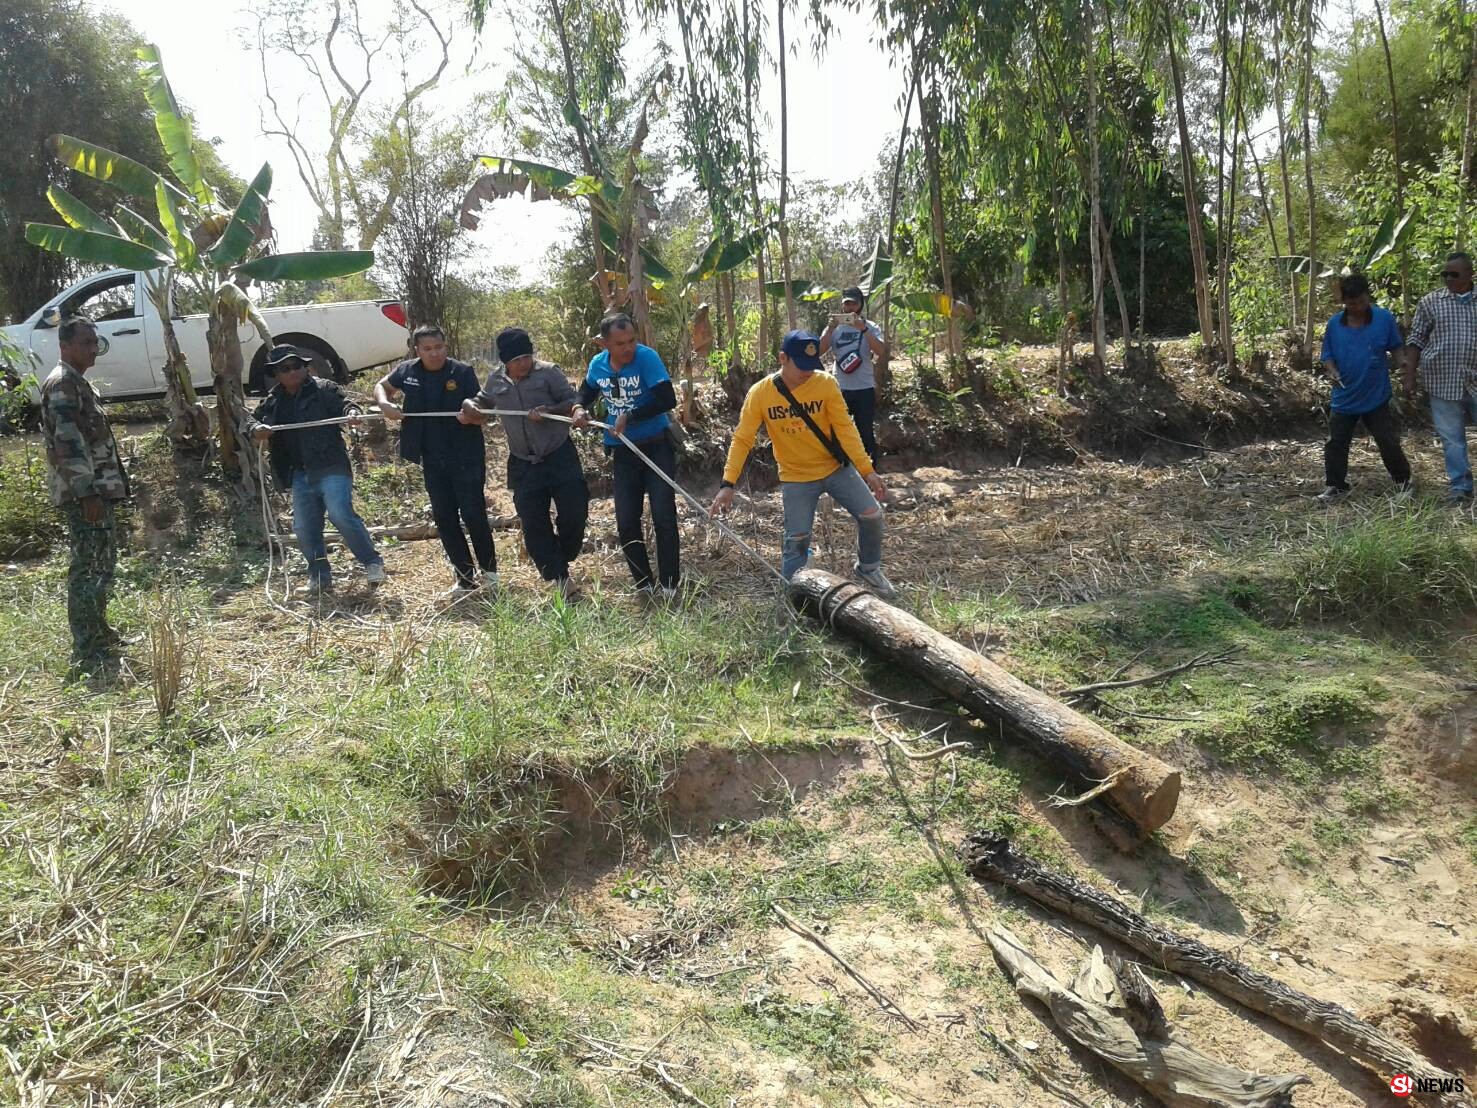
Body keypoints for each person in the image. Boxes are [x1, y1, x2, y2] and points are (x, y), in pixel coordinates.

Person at [710, 329, 896, 597]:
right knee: (796, 541)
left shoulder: (825, 384)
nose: (807, 372)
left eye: (812, 365)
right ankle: (792, 595)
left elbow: (846, 429)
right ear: (782, 358)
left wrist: (867, 470)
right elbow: (742, 440)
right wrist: (728, 483)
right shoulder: (760, 393)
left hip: (835, 468)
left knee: (872, 516)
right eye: (801, 366)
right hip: (796, 477)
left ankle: (868, 568)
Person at [460, 328, 592, 601]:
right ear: (505, 361)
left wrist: (548, 410)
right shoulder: (496, 379)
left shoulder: (549, 372)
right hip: (522, 462)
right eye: (516, 359)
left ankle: (562, 556)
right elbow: (483, 401)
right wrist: (470, 405)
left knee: (574, 514)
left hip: (559, 455)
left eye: (526, 356)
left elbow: (571, 402)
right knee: (533, 524)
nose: (523, 363)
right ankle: (560, 579)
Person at [246, 344, 384, 596]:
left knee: (340, 513)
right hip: (299, 472)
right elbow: (251, 420)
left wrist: (352, 413)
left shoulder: (324, 389)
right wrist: (256, 429)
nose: (293, 372)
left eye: (297, 365)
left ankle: (372, 563)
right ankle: (319, 576)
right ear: (276, 374)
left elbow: (346, 404)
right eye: (285, 368)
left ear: (305, 366)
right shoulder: (273, 401)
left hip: (330, 464)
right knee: (304, 527)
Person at [375, 325, 498, 597]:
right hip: (431, 457)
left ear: (446, 346)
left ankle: (491, 575)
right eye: (427, 349)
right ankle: (464, 578)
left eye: (439, 347)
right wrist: (385, 404)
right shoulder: (407, 371)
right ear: (416, 350)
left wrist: (472, 416)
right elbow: (382, 386)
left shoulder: (462, 372)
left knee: (473, 513)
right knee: (444, 517)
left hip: (465, 455)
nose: (434, 353)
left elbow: (482, 411)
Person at [40, 316, 130, 673]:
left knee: (101, 563)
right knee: (88, 566)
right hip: (85, 494)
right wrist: (87, 493)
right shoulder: (63, 384)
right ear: (65, 346)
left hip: (96, 490)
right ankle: (87, 643)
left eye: (95, 342)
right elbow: (68, 443)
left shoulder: (77, 383)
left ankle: (99, 631)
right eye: (85, 343)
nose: (93, 349)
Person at [579, 313, 681, 596]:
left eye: (632, 341)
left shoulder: (646, 358)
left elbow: (666, 398)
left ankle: (670, 586)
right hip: (623, 451)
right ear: (604, 343)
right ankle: (644, 585)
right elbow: (584, 394)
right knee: (626, 521)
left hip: (656, 445)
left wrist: (630, 415)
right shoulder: (598, 366)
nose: (628, 348)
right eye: (620, 343)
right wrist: (578, 409)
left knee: (663, 516)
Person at [1316, 273, 1412, 501]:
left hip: (1375, 395)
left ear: (1367, 297)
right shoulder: (1334, 325)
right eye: (1351, 304)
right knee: (1336, 443)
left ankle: (1403, 482)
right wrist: (1332, 370)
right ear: (1344, 303)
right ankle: (1335, 486)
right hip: (1345, 395)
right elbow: (1327, 355)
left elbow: (1396, 347)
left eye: (1360, 302)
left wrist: (1403, 363)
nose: (1357, 307)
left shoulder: (1384, 319)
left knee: (1386, 439)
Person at [1405, 251, 1477, 504]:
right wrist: (1410, 375)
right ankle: (1460, 488)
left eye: (1454, 274)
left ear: (1470, 274)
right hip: (1442, 379)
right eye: (1444, 274)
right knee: (1452, 438)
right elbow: (1415, 340)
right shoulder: (1430, 302)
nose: (1448, 278)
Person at [819, 285, 887, 466]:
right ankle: (840, 469)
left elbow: (881, 351)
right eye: (846, 304)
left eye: (853, 304)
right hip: (839, 388)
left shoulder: (871, 327)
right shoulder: (836, 329)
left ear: (860, 305)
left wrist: (863, 329)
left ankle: (870, 470)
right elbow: (818, 350)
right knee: (838, 431)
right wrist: (830, 329)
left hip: (864, 388)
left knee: (865, 431)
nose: (849, 308)